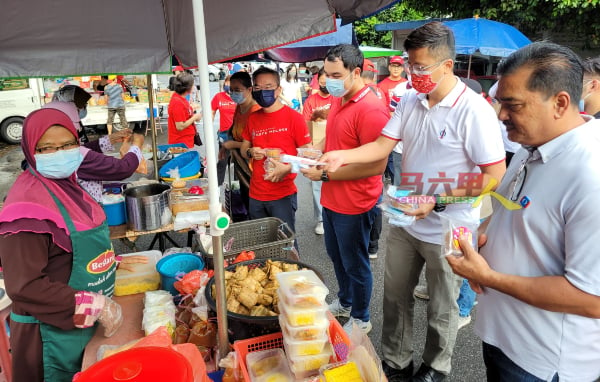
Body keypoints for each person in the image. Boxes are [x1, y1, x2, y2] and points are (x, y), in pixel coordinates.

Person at [320, 22, 506, 381]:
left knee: (441, 307)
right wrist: (342, 157)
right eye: (410, 64)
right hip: (407, 216)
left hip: (450, 227)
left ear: (447, 65)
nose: (413, 73)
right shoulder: (409, 98)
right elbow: (381, 146)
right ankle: (396, 358)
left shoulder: (474, 111)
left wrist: (436, 200)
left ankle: (437, 367)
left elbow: (493, 177)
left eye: (421, 67)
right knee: (395, 297)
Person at [446, 42, 600, 382]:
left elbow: (592, 298)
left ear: (560, 103)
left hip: (541, 362)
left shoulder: (590, 174)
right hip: (503, 336)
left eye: (511, 105)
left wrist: (489, 278)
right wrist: (477, 244)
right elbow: (509, 210)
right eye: (500, 102)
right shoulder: (532, 146)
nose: (500, 116)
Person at [0, 108, 125, 382]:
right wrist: (96, 305)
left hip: (83, 328)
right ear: (31, 151)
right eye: (47, 148)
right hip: (49, 339)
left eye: (68, 144)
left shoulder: (67, 186)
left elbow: (69, 252)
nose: (60, 153)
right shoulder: (25, 210)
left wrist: (108, 262)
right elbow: (24, 286)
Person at [300, 44, 390, 334]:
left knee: (355, 262)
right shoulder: (340, 99)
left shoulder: (372, 109)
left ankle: (362, 317)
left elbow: (376, 165)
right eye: (326, 74)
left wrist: (325, 176)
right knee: (336, 255)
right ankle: (346, 300)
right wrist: (314, 150)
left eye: (336, 74)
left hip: (355, 201)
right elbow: (334, 138)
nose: (328, 81)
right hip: (333, 200)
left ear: (357, 72)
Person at [239, 67, 311, 234]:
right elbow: (244, 148)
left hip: (283, 195)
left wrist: (289, 168)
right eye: (257, 87)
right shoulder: (253, 118)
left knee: (286, 244)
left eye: (268, 87)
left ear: (278, 90)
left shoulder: (294, 118)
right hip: (256, 194)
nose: (262, 91)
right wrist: (251, 152)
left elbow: (308, 154)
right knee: (261, 244)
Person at [42, 101, 144, 202]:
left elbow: (84, 149)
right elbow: (123, 168)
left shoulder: (46, 152)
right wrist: (137, 144)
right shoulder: (74, 156)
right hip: (85, 212)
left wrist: (111, 139)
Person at [221, 71, 261, 215]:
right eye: (231, 90)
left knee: (254, 204)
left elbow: (258, 144)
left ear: (249, 89)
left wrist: (233, 145)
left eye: (237, 90)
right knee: (245, 200)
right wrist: (226, 146)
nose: (233, 94)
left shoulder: (255, 111)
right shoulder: (240, 107)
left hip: (252, 165)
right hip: (240, 164)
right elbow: (233, 131)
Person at [301, 67, 332, 235]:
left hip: (335, 148)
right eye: (321, 81)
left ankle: (332, 216)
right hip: (315, 149)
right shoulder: (311, 101)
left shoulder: (338, 98)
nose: (324, 84)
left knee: (334, 183)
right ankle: (320, 219)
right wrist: (309, 147)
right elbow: (304, 124)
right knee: (317, 185)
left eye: (328, 81)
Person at [360, 59, 385, 259]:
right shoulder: (380, 93)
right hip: (375, 158)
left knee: (373, 202)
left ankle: (371, 244)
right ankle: (373, 245)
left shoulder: (366, 99)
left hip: (368, 160)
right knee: (376, 202)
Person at [211, 75, 237, 185]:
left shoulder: (239, 96)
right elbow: (212, 111)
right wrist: (209, 124)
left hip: (238, 134)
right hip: (224, 134)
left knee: (238, 162)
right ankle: (217, 187)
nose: (229, 85)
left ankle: (237, 187)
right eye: (227, 82)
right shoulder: (218, 97)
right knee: (222, 162)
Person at [168, 72, 202, 148]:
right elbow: (180, 126)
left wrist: (192, 111)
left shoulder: (181, 98)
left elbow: (185, 114)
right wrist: (195, 117)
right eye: (193, 85)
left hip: (185, 140)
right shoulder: (177, 102)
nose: (194, 87)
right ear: (188, 88)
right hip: (180, 143)